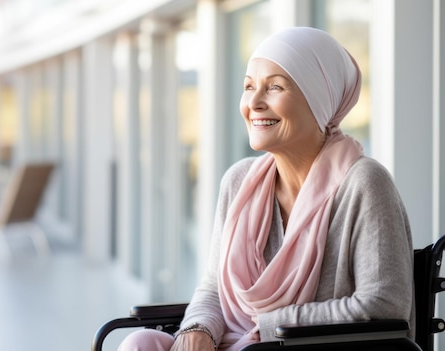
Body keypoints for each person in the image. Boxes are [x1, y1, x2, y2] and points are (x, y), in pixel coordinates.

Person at [118, 27, 414, 351]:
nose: (254, 103)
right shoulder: (239, 181)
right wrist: (198, 328)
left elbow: (384, 306)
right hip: (242, 344)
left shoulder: (365, 184)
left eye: (274, 87)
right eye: (248, 87)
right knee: (140, 342)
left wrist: (272, 326)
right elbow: (214, 288)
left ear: (319, 99)